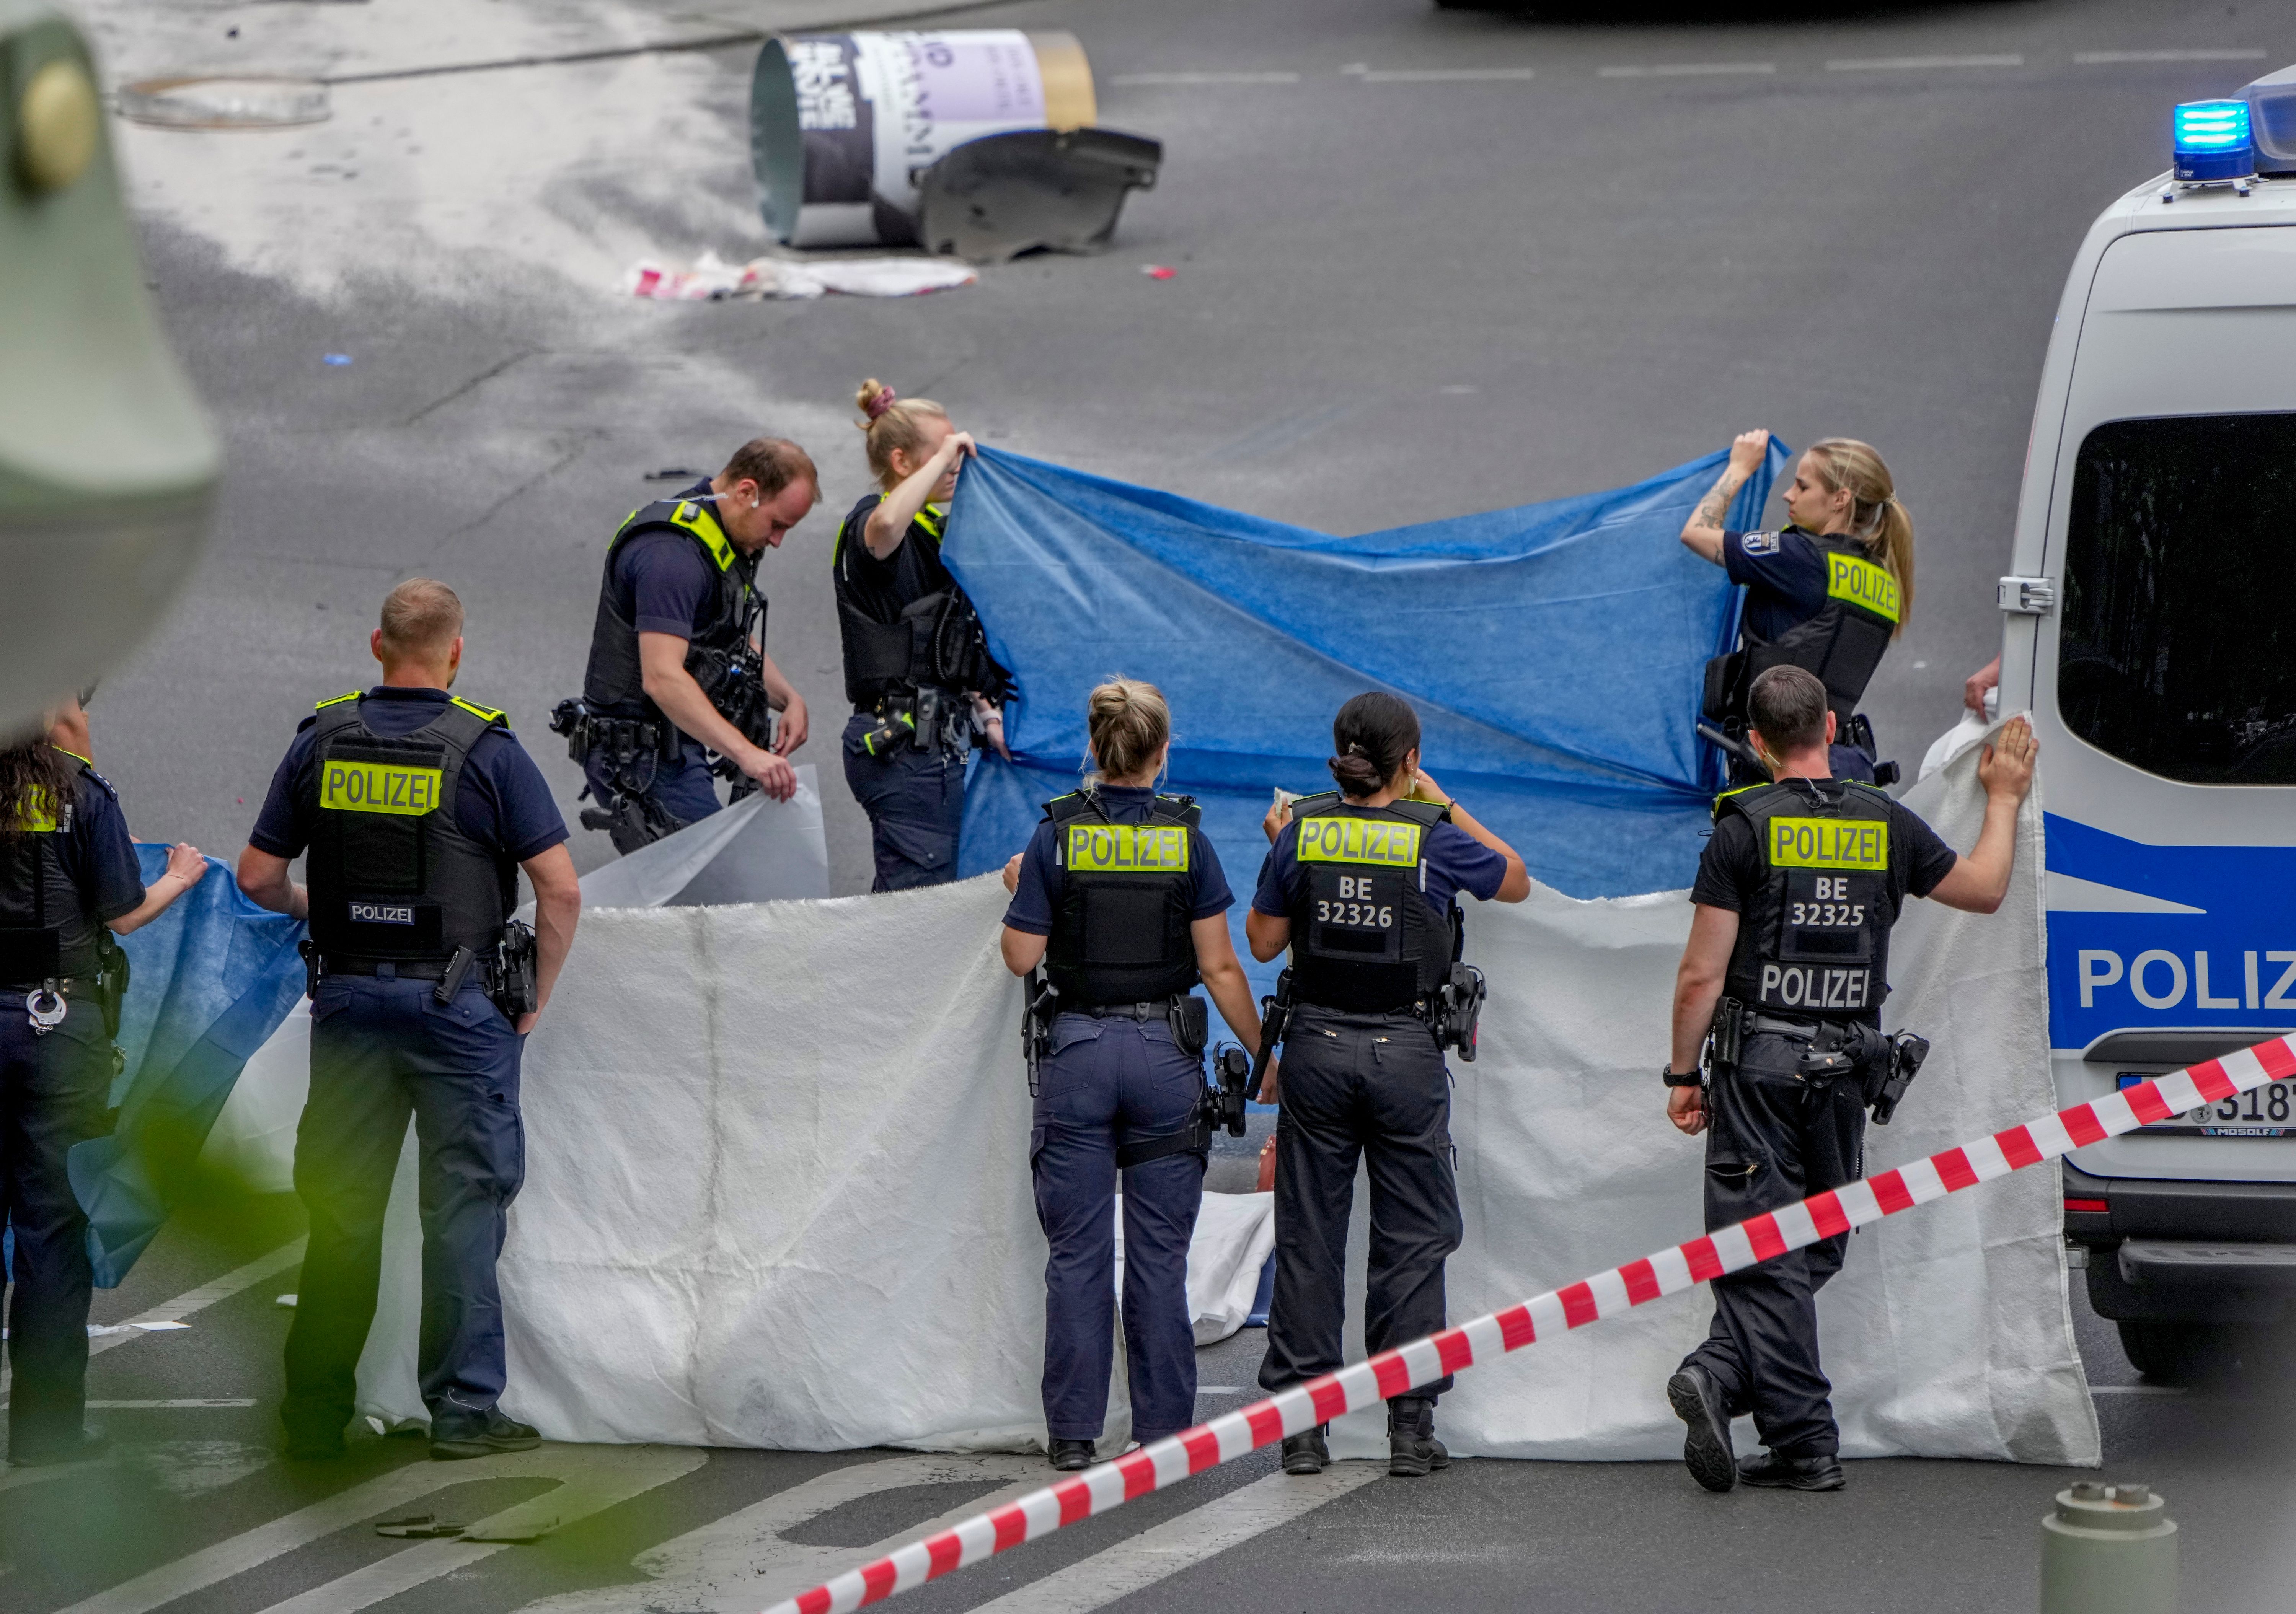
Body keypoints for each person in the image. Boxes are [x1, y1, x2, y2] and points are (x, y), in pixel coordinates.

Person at [1662, 666, 2036, 1493]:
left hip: (1758, 1067)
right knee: (1816, 1241)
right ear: (1831, 729)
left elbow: (1700, 975)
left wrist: (1683, 1074)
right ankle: (1724, 1380)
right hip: (1845, 1071)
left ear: (1756, 744)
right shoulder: (1887, 822)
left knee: (1769, 1256)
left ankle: (1795, 1438)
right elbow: (1984, 888)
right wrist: (2003, 799)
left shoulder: (1742, 827)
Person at [236, 580, 582, 1462]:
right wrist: (535, 993)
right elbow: (560, 888)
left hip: (351, 1004)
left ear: (376, 645)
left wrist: (328, 907)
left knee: (343, 1214)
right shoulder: (486, 750)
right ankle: (463, 1410)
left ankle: (314, 1415)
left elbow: (257, 877)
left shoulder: (321, 741)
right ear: (455, 650)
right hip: (460, 1009)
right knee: (462, 1210)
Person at [1246, 693, 1531, 1478]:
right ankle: (1410, 1427)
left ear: (1339, 753)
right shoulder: (1434, 837)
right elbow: (1517, 881)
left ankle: (1304, 1430)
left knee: (1310, 1237)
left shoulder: (1302, 831)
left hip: (1317, 1049)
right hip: (1406, 1053)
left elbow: (1266, 942)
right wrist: (1439, 799)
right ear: (1408, 761)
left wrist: (1283, 855)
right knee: (1411, 1240)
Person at [998, 679, 1260, 1471]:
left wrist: (1023, 883)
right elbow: (1218, 966)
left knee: (1077, 1255)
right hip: (1162, 1063)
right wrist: (1266, 1057)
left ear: (1095, 746)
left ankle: (1075, 1436)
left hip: (1077, 1055)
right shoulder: (1189, 840)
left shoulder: (1057, 836)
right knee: (1157, 1257)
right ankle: (1163, 1435)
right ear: (1161, 751)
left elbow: (1020, 955)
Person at [2, 717, 206, 1465]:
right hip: (58, 1030)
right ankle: (47, 1433)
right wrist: (180, 878)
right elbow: (125, 911)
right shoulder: (81, 793)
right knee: (52, 1229)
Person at [572, 439, 819, 853]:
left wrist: (790, 698)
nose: (777, 541)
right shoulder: (672, 556)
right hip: (640, 758)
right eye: (778, 525)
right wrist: (746, 754)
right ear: (746, 491)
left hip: (673, 740)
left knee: (712, 886)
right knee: (712, 890)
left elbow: (730, 637)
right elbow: (663, 677)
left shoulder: (716, 532)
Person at [835, 380, 1011, 892]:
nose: (956, 463)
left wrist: (986, 713)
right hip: (904, 751)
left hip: (931, 745)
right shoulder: (872, 520)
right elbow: (888, 521)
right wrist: (947, 456)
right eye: (942, 452)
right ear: (903, 461)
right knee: (912, 912)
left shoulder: (933, 536)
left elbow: (947, 642)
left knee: (915, 901)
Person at [1683, 431, 1915, 785]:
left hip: (1778, 770)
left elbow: (1696, 533)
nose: (1788, 494)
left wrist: (1740, 468)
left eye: (1803, 487)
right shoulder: (1883, 580)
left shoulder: (1799, 557)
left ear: (1840, 499)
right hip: (1846, 770)